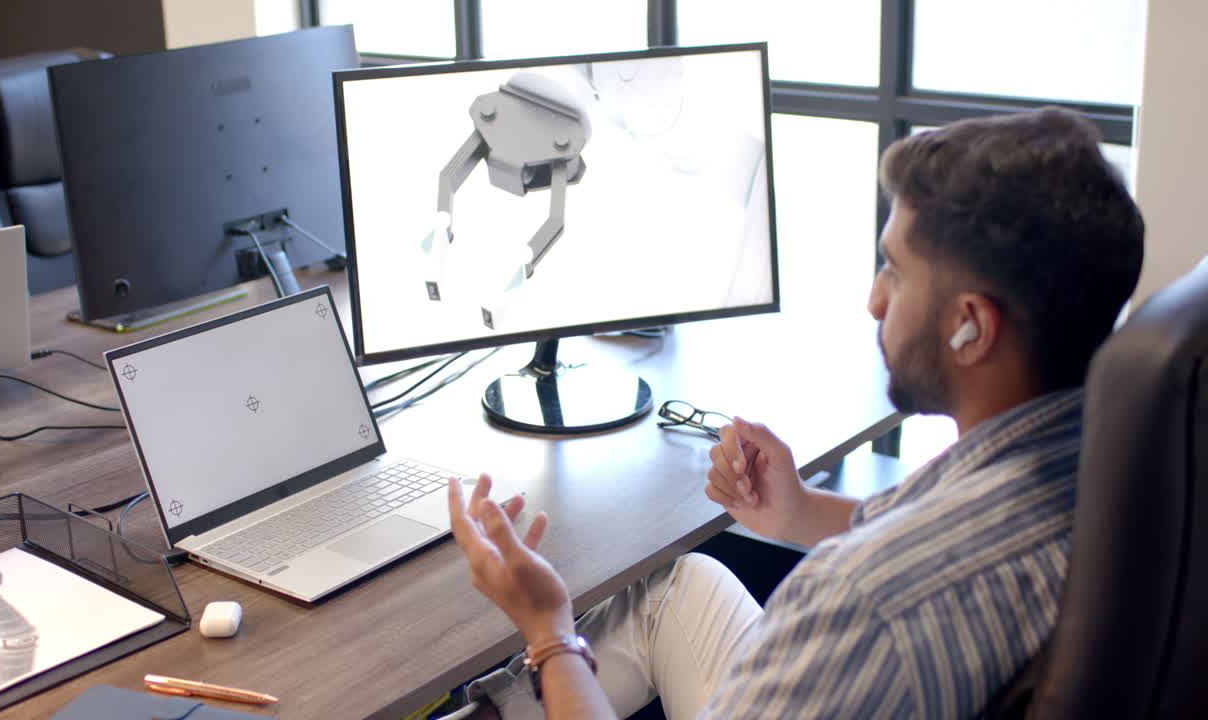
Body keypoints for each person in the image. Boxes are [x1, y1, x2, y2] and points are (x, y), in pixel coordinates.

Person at [442, 106, 1145, 719]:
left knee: (573, 629)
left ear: (972, 326)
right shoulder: (1112, 457)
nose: (874, 300)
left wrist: (547, 632)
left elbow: (896, 577)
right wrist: (800, 513)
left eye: (894, 272)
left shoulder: (865, 601)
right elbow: (940, 519)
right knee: (681, 586)